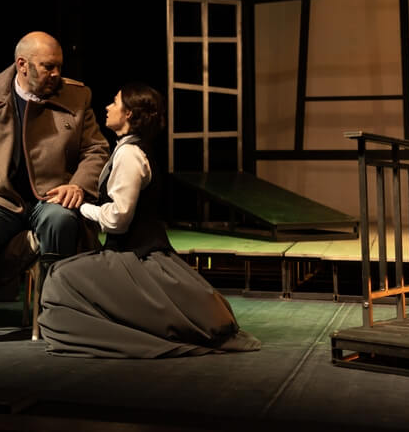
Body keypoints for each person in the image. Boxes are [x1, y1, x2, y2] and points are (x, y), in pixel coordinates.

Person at [37, 82, 261, 357]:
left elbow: (118, 219)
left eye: (115, 102)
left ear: (129, 114)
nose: (107, 108)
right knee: (66, 274)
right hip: (134, 253)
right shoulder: (129, 148)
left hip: (134, 256)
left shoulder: (130, 155)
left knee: (61, 279)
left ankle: (108, 336)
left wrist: (81, 206)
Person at [0, 31, 110, 342]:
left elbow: (95, 150)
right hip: (0, 197)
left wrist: (79, 186)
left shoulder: (76, 96)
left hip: (52, 195)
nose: (57, 74)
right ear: (22, 65)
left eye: (59, 66)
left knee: (61, 221)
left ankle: (57, 316)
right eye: (48, 67)